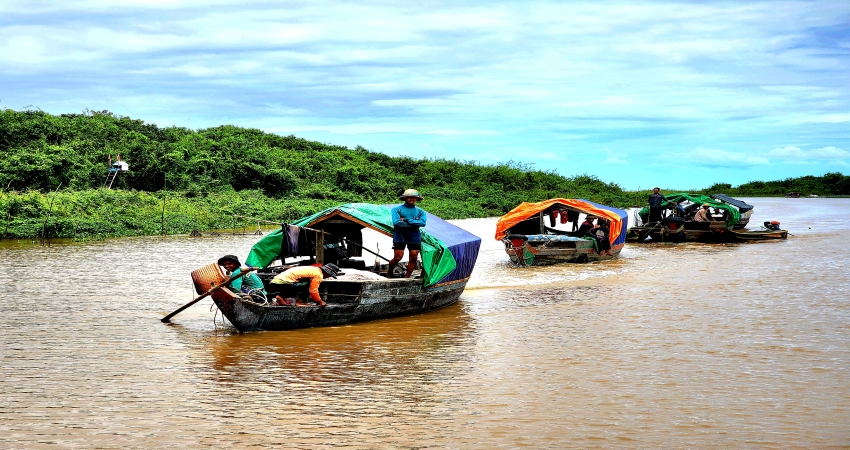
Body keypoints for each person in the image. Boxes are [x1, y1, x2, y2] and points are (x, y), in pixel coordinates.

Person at [388, 189, 427, 278]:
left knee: (413, 257)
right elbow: (397, 223)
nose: (412, 199)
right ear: (405, 198)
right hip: (400, 236)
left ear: (417, 199)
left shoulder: (421, 212)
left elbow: (423, 223)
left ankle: (407, 277)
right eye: (410, 197)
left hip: (414, 237)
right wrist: (414, 223)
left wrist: (406, 220)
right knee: (398, 257)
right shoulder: (396, 209)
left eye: (414, 197)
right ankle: (390, 272)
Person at [268, 263, 341, 307]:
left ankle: (283, 298)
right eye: (329, 275)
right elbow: (313, 290)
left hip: (275, 282)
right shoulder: (318, 274)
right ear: (327, 273)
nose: (328, 277)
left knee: (305, 282)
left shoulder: (314, 269)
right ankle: (297, 301)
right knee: (309, 284)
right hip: (283, 283)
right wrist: (320, 302)